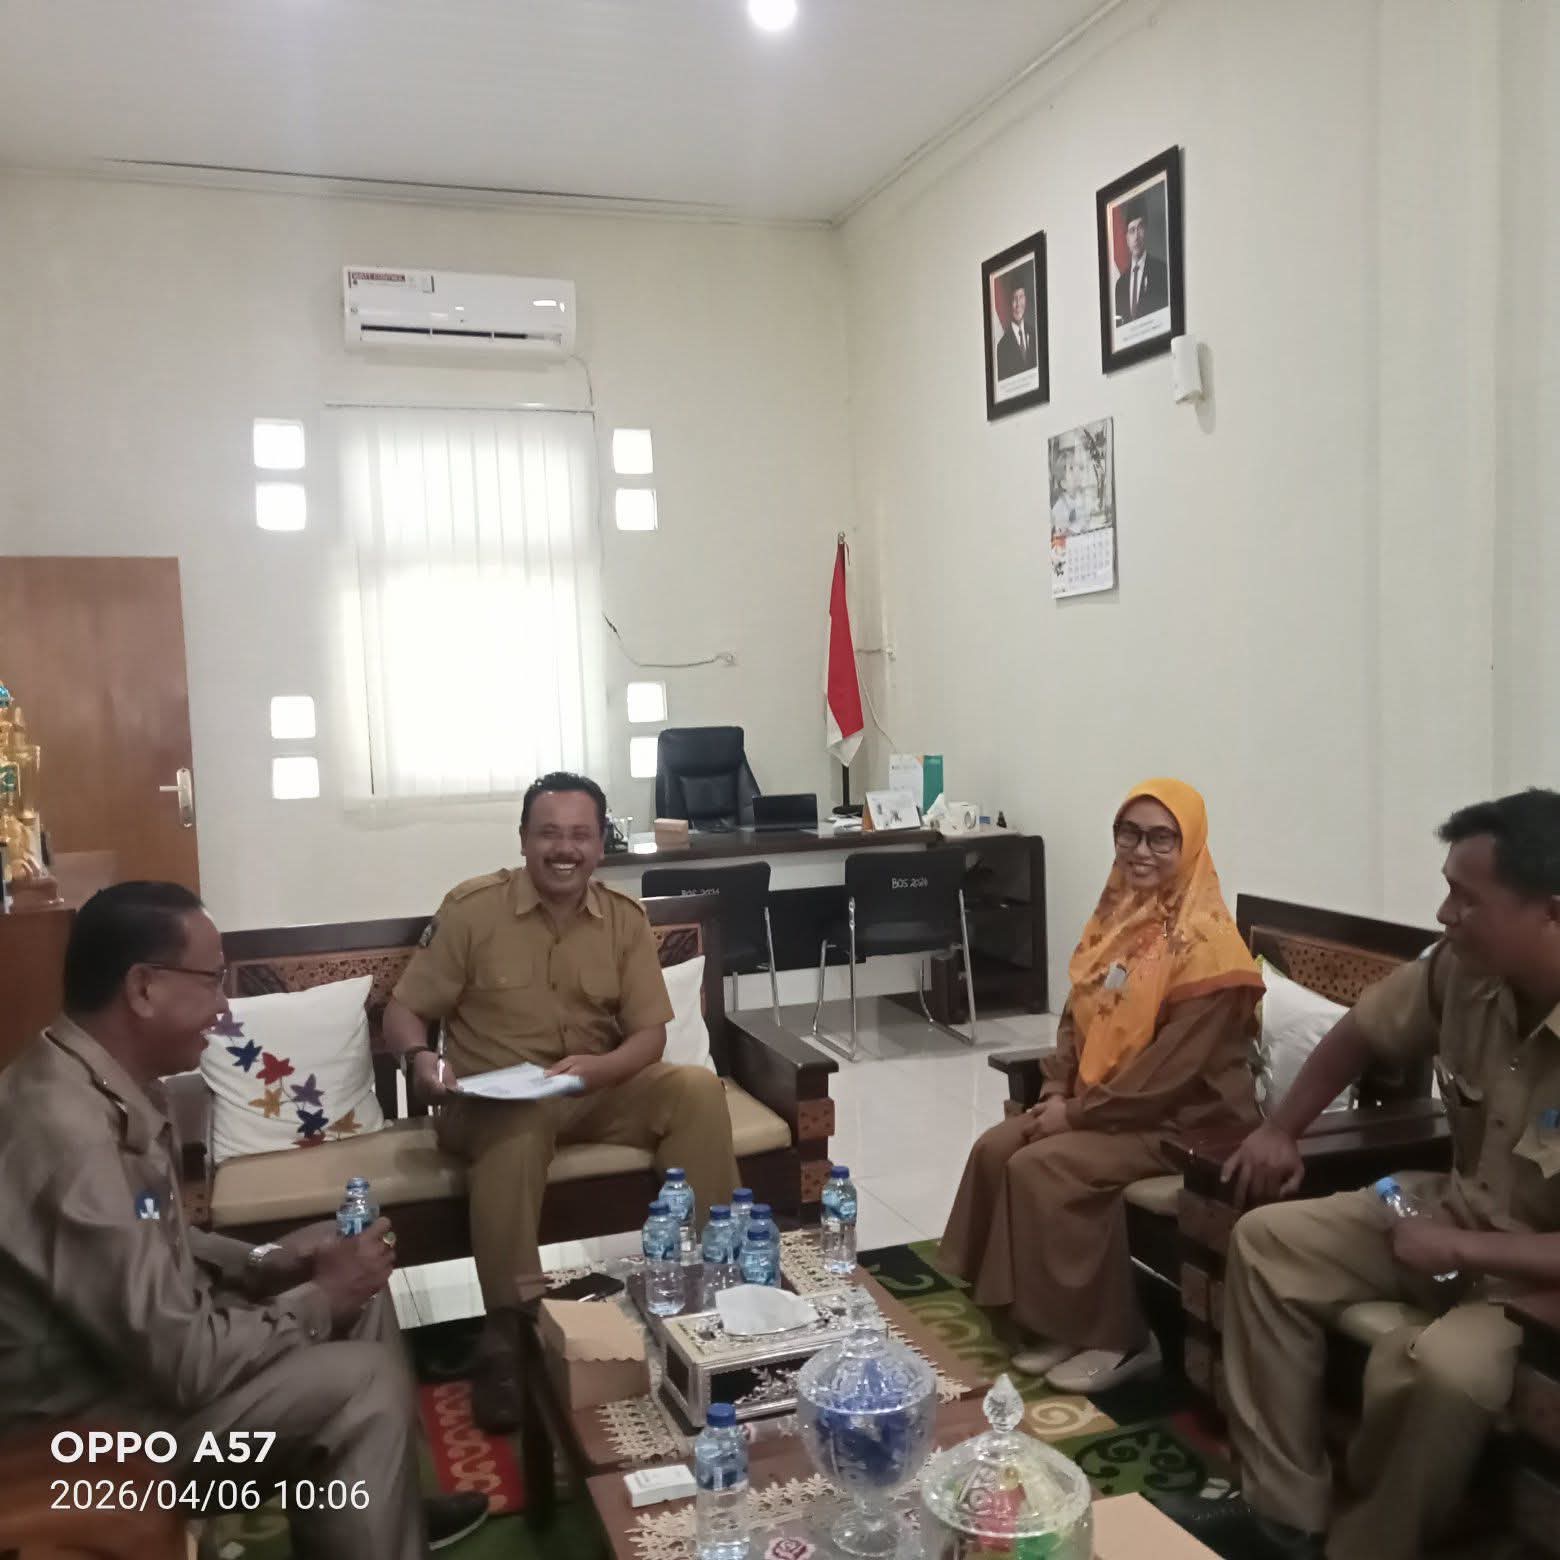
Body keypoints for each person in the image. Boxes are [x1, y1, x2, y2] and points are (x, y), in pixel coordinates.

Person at [0, 881, 487, 1559]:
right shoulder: (69, 1137)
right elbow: (185, 1362)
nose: (225, 1006)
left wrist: (269, 1262)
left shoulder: (100, 1079)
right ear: (143, 988)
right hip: (92, 1435)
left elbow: (151, 1240)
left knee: (362, 1298)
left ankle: (382, 1506)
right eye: (211, 980)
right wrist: (318, 1298)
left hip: (135, 1373)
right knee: (360, 1380)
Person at [1165, 790, 1560, 1560]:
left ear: (1549, 911)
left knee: (1446, 1371)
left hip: (1530, 1284)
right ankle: (1284, 1509)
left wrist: (1461, 1251)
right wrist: (1280, 1130)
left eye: (1467, 899)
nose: (1444, 914)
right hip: (1446, 1215)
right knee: (1267, 1243)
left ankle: (1372, 1545)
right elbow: (1361, 1031)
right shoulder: (1462, 971)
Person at [384, 771, 739, 1431]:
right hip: (489, 1103)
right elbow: (404, 1012)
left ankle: (712, 1288)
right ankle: (510, 1335)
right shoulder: (472, 911)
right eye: (549, 833)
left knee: (694, 1089)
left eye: (580, 835)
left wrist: (601, 1069)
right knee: (519, 1119)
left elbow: (650, 1037)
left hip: (589, 1091)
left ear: (601, 844)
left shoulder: (623, 919)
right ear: (523, 839)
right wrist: (419, 1060)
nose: (564, 849)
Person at [940, 779, 1262, 1393]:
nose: (1140, 850)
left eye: (1161, 838)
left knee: (1045, 1166)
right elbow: (1077, 1019)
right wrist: (1055, 1091)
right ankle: (1055, 1320)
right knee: (996, 1147)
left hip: (1189, 1122)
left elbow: (1167, 1075)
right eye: (1128, 833)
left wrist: (1077, 1115)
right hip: (1111, 1106)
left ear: (1190, 845)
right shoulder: (1121, 920)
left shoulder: (1212, 952)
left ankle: (1122, 1339)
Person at [1113, 201, 1169, 324]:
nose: (1136, 237)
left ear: (1146, 230)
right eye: (1132, 230)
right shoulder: (1120, 285)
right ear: (1126, 238)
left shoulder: (1161, 271)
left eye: (1140, 228)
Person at [995, 280, 1038, 380]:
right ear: (1009, 303)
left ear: (1025, 299)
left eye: (1021, 297)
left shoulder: (1035, 334)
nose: (1018, 304)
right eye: (1014, 298)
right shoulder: (1002, 347)